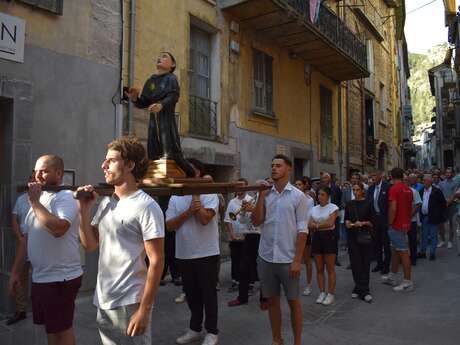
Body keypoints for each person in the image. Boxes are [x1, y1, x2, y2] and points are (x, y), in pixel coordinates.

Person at [77, 137, 165, 345]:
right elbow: (90, 245)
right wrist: (83, 210)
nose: (103, 165)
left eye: (111, 160)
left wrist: (144, 310)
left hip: (130, 301)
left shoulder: (147, 206)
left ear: (130, 165)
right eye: (105, 160)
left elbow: (157, 260)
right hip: (103, 299)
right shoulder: (107, 203)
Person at [9, 155, 82, 345]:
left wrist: (34, 202)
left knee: (62, 331)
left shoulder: (65, 196)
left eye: (44, 170)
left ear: (58, 173)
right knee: (51, 330)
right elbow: (26, 240)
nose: (38, 175)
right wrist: (15, 272)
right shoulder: (39, 199)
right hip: (41, 277)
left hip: (61, 278)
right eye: (36, 171)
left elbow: (59, 229)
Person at [252, 155, 308, 345]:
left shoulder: (298, 197)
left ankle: (297, 342)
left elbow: (302, 230)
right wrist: (260, 195)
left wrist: (297, 260)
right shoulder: (266, 194)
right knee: (272, 302)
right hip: (266, 256)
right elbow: (256, 221)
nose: (274, 168)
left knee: (293, 302)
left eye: (278, 165)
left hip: (288, 259)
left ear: (289, 169)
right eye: (272, 165)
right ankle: (277, 340)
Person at [166, 159, 220, 345]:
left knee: (208, 294)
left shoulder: (210, 193)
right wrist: (189, 211)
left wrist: (195, 193)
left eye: (190, 170)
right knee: (191, 295)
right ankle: (195, 329)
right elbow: (170, 225)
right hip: (184, 254)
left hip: (207, 253)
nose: (185, 173)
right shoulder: (175, 197)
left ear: (198, 173)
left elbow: (205, 219)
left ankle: (212, 332)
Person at [125, 52, 194, 176]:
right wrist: (135, 98)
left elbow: (173, 96)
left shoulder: (171, 78)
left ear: (172, 64)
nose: (159, 58)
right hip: (153, 119)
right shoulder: (151, 81)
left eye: (164, 56)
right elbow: (144, 102)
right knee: (153, 143)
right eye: (159, 56)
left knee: (169, 144)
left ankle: (189, 171)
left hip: (166, 117)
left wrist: (161, 105)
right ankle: (155, 161)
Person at [227, 178, 262, 306]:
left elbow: (264, 217)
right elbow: (243, 222)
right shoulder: (251, 200)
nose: (255, 189)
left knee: (262, 267)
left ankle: (264, 298)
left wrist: (253, 210)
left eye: (258, 187)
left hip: (261, 236)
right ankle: (242, 297)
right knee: (243, 268)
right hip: (249, 236)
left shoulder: (266, 200)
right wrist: (243, 212)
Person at [6, 171, 34, 326]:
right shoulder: (21, 199)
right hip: (22, 241)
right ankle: (20, 310)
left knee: (39, 275)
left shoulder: (45, 199)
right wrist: (19, 237)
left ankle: (40, 307)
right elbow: (14, 219)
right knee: (21, 277)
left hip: (38, 242)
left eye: (35, 179)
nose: (32, 181)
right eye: (30, 178)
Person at [381, 168, 414, 292]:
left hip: (396, 225)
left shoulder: (394, 189)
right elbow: (410, 208)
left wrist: (390, 223)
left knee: (403, 252)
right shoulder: (408, 190)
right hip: (405, 224)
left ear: (391, 176)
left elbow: (393, 208)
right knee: (395, 250)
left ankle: (408, 282)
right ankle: (392, 276)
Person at [309, 186, 339, 305]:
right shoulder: (314, 209)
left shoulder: (333, 207)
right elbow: (309, 223)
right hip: (316, 238)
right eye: (318, 194)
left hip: (329, 238)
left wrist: (316, 225)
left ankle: (330, 294)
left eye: (322, 194)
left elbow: (330, 223)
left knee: (330, 268)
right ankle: (322, 292)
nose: (320, 197)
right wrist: (319, 225)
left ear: (328, 196)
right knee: (319, 268)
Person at [345, 182, 373, 302]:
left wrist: (362, 223)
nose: (355, 192)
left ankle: (364, 290)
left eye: (357, 190)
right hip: (352, 237)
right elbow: (346, 218)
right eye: (354, 190)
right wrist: (347, 223)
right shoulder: (350, 204)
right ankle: (358, 286)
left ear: (362, 191)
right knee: (355, 263)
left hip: (365, 236)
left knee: (365, 263)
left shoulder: (369, 203)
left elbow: (373, 222)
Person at [418, 174, 447, 261]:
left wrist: (439, 215)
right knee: (424, 235)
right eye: (423, 180)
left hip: (433, 217)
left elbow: (443, 204)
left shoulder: (437, 191)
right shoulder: (421, 191)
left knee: (433, 235)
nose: (423, 182)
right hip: (424, 216)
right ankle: (423, 252)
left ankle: (432, 253)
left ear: (430, 182)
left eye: (425, 180)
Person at [367, 170, 391, 274]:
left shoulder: (388, 187)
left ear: (380, 176)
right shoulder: (371, 188)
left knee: (386, 243)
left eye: (374, 176)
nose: (372, 178)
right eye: (371, 176)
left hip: (385, 218)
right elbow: (368, 203)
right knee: (376, 242)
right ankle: (379, 263)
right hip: (374, 219)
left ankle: (386, 265)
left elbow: (391, 205)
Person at [320, 172, 342, 266]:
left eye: (326, 177)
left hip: (334, 215)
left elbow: (340, 200)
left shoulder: (336, 188)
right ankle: (324, 257)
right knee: (324, 236)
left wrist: (337, 212)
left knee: (334, 237)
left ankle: (335, 258)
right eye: (323, 178)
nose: (324, 179)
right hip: (322, 215)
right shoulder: (319, 188)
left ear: (329, 179)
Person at [438, 168, 458, 249]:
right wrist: (444, 202)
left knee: (451, 224)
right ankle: (442, 240)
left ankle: (450, 241)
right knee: (441, 224)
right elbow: (440, 194)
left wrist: (448, 202)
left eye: (449, 173)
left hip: (452, 205)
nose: (448, 174)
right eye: (447, 172)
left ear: (452, 174)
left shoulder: (455, 183)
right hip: (443, 205)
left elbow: (455, 194)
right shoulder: (441, 183)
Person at [405, 176, 422, 266]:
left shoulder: (414, 191)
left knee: (412, 240)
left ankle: (413, 258)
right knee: (403, 241)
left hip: (412, 221)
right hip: (402, 221)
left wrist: (410, 215)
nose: (404, 182)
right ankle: (404, 258)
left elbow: (418, 204)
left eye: (406, 181)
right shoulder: (399, 191)